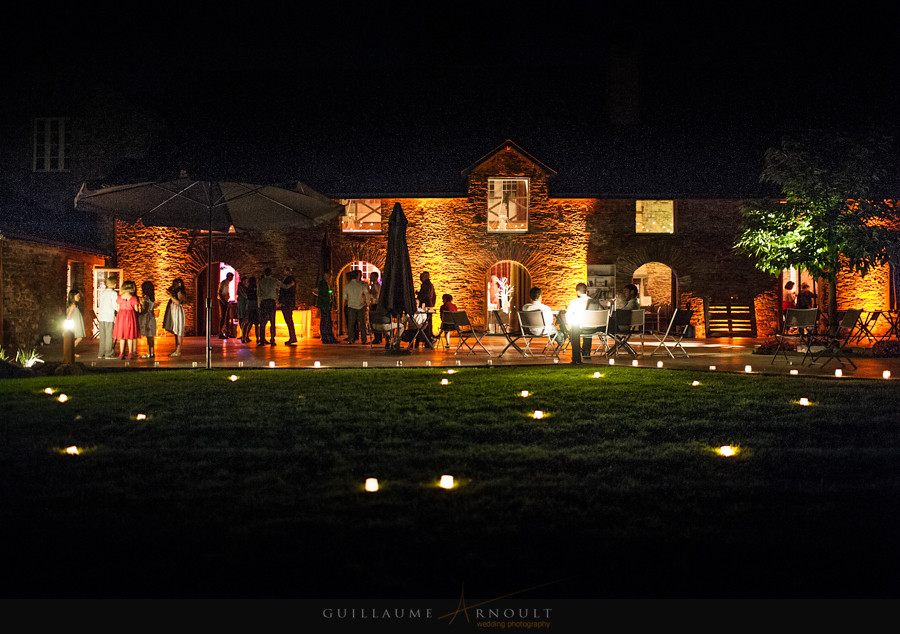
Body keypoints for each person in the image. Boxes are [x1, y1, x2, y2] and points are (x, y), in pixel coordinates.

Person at [564, 282, 599, 364]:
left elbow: (568, 315)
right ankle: (586, 352)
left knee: (574, 327)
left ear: (577, 291)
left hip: (578, 329)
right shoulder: (594, 302)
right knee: (588, 324)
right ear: (586, 291)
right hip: (592, 328)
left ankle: (576, 355)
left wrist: (569, 324)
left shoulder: (573, 302)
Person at [113, 280, 141, 360]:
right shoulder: (133, 298)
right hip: (130, 317)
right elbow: (136, 309)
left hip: (121, 317)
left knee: (122, 336)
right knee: (130, 336)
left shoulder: (119, 297)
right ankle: (130, 353)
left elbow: (118, 308)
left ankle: (121, 353)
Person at [342, 270, 370, 344]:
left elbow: (345, 297)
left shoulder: (347, 286)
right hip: (360, 306)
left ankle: (351, 339)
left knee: (351, 324)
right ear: (357, 276)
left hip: (351, 306)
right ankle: (363, 339)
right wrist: (367, 303)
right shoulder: (361, 285)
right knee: (362, 323)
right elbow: (366, 294)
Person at [257, 268, 284, 346]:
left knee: (262, 322)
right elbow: (284, 286)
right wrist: (291, 285)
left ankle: (262, 340)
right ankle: (272, 340)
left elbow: (258, 294)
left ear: (264, 273)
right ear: (271, 273)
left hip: (264, 302)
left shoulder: (261, 282)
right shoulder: (274, 281)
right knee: (272, 322)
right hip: (271, 302)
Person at [162, 278, 187, 357]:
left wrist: (171, 297)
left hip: (177, 312)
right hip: (174, 311)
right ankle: (177, 349)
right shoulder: (176, 291)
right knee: (176, 331)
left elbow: (178, 302)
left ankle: (178, 350)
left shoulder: (179, 292)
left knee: (179, 331)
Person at [97, 276, 118, 359]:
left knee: (102, 336)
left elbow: (100, 304)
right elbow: (115, 306)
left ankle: (101, 353)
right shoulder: (113, 293)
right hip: (109, 316)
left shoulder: (103, 293)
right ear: (114, 284)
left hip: (101, 316)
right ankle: (108, 353)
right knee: (109, 336)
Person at [314, 275, 338, 343]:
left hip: (326, 304)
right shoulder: (323, 283)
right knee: (325, 321)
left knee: (327, 321)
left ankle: (329, 337)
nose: (330, 277)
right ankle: (326, 337)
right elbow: (323, 294)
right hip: (324, 304)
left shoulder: (327, 283)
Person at [416, 271, 437, 347]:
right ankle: (427, 340)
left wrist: (419, 296)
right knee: (427, 323)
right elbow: (433, 296)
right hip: (428, 306)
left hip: (425, 307)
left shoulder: (426, 285)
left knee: (425, 323)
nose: (420, 278)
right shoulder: (429, 285)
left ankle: (426, 339)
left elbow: (426, 295)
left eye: (421, 277)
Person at [279, 266, 298, 345]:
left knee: (289, 320)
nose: (283, 272)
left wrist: (282, 301)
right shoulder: (292, 280)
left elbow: (285, 291)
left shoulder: (288, 280)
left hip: (287, 303)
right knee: (289, 320)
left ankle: (292, 337)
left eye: (285, 271)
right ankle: (292, 337)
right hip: (289, 303)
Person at [65, 289, 86, 356]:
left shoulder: (74, 305)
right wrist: (68, 325)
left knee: (75, 338)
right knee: (79, 338)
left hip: (76, 324)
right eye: (77, 296)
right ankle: (70, 350)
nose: (79, 297)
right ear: (72, 297)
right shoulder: (73, 306)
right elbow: (68, 315)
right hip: (74, 325)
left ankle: (71, 351)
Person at [138, 281, 156, 358]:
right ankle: (152, 352)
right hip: (151, 316)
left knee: (149, 336)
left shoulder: (147, 298)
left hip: (147, 318)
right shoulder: (152, 298)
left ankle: (149, 352)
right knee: (151, 337)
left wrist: (139, 313)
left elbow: (145, 309)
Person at [218, 271, 234, 339]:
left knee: (226, 317)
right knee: (223, 316)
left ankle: (226, 332)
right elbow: (219, 292)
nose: (232, 279)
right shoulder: (223, 283)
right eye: (232, 277)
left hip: (225, 300)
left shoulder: (227, 283)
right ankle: (220, 332)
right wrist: (223, 301)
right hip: (223, 301)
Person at [244, 277, 260, 344]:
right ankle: (257, 339)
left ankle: (244, 337)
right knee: (256, 323)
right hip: (255, 305)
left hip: (249, 305)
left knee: (248, 322)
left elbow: (246, 296)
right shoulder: (257, 288)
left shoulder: (247, 289)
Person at [367, 271, 382, 345]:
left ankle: (377, 338)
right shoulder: (376, 285)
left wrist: (370, 290)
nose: (370, 278)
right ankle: (378, 337)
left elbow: (375, 293)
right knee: (376, 321)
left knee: (374, 321)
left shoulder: (376, 285)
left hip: (375, 304)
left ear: (376, 277)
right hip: (375, 304)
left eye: (372, 276)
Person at [236, 276, 248, 343]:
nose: (246, 283)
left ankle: (244, 335)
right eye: (245, 281)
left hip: (244, 303)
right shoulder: (241, 288)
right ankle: (243, 334)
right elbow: (244, 295)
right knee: (242, 317)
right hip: (242, 304)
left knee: (244, 318)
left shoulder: (244, 288)